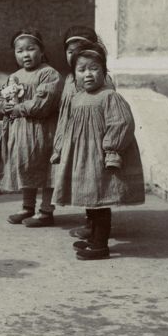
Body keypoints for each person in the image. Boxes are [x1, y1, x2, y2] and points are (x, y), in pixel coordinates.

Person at [50, 45, 144, 260]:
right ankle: (93, 238)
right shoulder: (77, 99)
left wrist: (112, 150)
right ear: (74, 75)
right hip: (82, 158)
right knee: (89, 198)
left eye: (94, 68)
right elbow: (67, 126)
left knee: (100, 201)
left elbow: (121, 123)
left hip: (100, 158)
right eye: (82, 70)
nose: (88, 74)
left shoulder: (109, 96)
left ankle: (100, 245)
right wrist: (60, 148)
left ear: (104, 71)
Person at [0, 28, 62, 226]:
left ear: (42, 50)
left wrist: (18, 108)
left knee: (44, 169)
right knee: (25, 166)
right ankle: (28, 207)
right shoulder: (14, 76)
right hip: (20, 133)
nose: (26, 54)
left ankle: (46, 211)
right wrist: (2, 105)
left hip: (43, 132)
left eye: (31, 49)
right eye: (20, 51)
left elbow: (42, 104)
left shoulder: (48, 74)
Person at [56, 26, 107, 241]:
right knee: (83, 182)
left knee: (92, 183)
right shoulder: (70, 79)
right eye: (70, 51)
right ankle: (91, 224)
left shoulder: (101, 85)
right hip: (75, 137)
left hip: (92, 141)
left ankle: (94, 229)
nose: (74, 54)